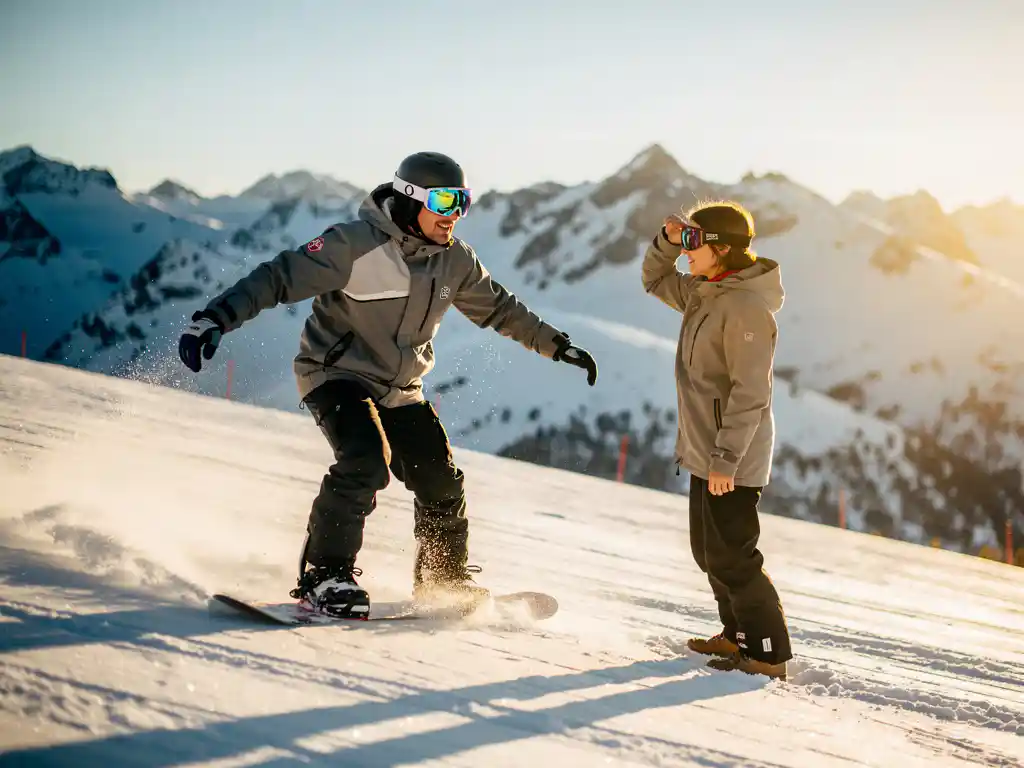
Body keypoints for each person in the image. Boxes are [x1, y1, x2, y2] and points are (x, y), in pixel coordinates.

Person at [178, 151, 598, 619]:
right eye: (444, 201)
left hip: (400, 387)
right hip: (335, 374)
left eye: (463, 201)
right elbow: (279, 278)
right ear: (410, 198)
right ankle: (324, 575)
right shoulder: (355, 245)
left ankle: (443, 579)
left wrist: (555, 345)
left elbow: (498, 308)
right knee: (364, 460)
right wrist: (215, 317)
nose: (455, 214)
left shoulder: (454, 260)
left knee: (439, 479)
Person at [641, 200, 792, 679]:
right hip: (706, 452)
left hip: (733, 458)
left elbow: (752, 393)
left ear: (722, 249)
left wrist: (727, 457)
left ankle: (766, 653)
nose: (686, 251)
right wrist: (668, 238)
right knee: (709, 553)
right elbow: (654, 278)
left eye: (693, 241)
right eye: (684, 240)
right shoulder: (705, 292)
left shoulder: (745, 308)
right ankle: (735, 635)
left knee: (734, 557)